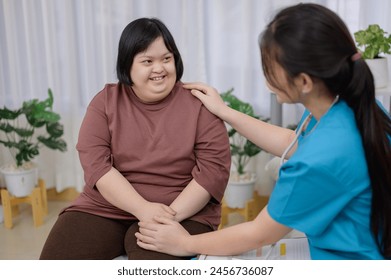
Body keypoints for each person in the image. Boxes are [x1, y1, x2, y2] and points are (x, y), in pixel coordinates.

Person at [136, 3, 391, 260]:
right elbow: (292, 141)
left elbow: (260, 233)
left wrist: (185, 243)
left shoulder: (318, 160)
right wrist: (226, 112)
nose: (265, 76)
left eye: (271, 66)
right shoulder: (354, 107)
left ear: (304, 81)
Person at [40, 18, 231, 260]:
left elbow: (213, 172)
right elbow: (97, 165)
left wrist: (165, 217)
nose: (159, 68)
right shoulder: (105, 102)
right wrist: (142, 209)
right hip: (106, 207)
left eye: (166, 59)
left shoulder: (200, 104)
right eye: (147, 61)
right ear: (127, 65)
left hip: (182, 211)